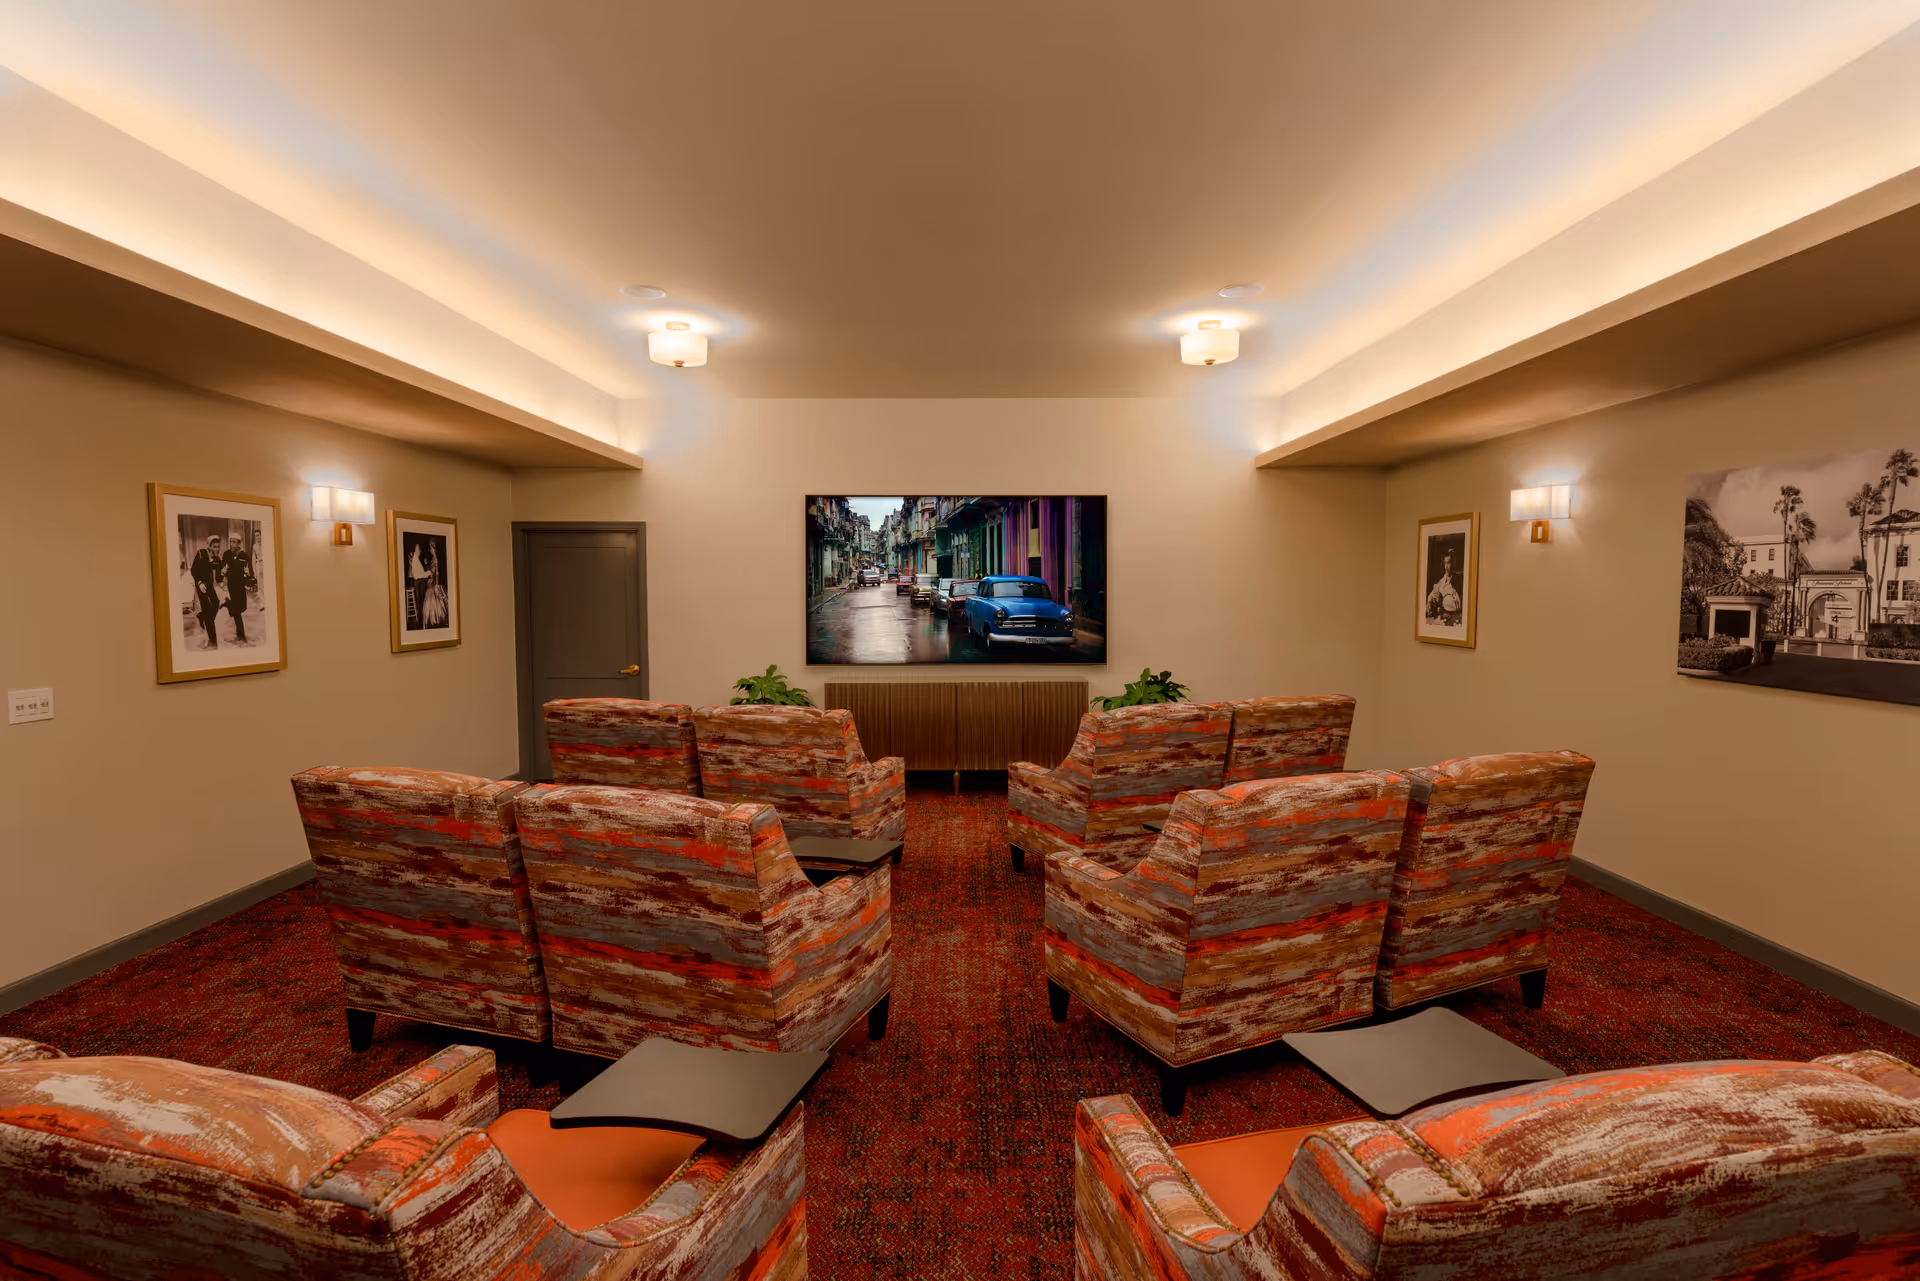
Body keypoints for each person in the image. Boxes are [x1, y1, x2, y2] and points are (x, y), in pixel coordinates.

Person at [189, 533, 224, 648]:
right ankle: (213, 640)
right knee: (209, 611)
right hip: (201, 586)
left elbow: (219, 577)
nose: (217, 549)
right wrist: (199, 583)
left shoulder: (217, 559)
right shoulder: (201, 554)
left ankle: (202, 617)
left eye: (218, 546)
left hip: (210, 586)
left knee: (216, 603)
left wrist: (223, 574)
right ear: (209, 546)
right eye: (214, 546)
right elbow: (194, 569)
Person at [222, 532, 256, 644]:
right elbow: (221, 570)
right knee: (237, 612)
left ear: (239, 543)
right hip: (231, 585)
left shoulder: (244, 556)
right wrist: (223, 573)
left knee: (242, 608)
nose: (231, 544)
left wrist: (251, 581)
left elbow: (248, 570)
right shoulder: (226, 554)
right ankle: (241, 634)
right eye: (230, 542)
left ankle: (228, 603)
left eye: (234, 542)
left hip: (240, 586)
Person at [1426, 550, 1462, 625]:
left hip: (1459, 616)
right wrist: (1429, 602)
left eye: (1448, 563)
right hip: (1446, 616)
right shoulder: (1441, 583)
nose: (1446, 566)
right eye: (1445, 563)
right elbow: (1432, 595)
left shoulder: (1459, 579)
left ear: (1453, 563)